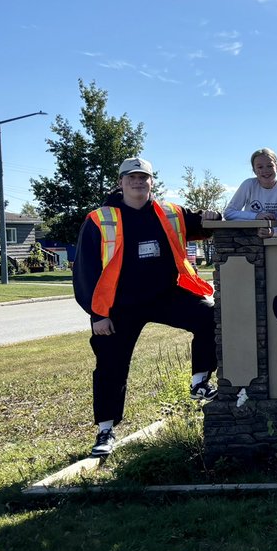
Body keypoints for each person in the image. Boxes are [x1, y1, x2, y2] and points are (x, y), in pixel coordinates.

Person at [73, 157, 221, 457]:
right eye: (131, 178)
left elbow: (204, 224)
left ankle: (199, 382)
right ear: (121, 182)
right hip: (119, 306)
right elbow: (85, 271)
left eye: (144, 177)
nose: (138, 182)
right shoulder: (100, 219)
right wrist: (97, 315)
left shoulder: (170, 213)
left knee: (210, 316)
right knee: (110, 365)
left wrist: (215, 216)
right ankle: (105, 431)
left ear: (152, 181)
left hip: (165, 295)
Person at [224, 148, 277, 236]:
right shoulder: (249, 185)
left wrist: (273, 232)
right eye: (260, 167)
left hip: (272, 240)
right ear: (254, 170)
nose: (265, 170)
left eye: (270, 166)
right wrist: (256, 216)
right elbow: (229, 213)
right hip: (247, 236)